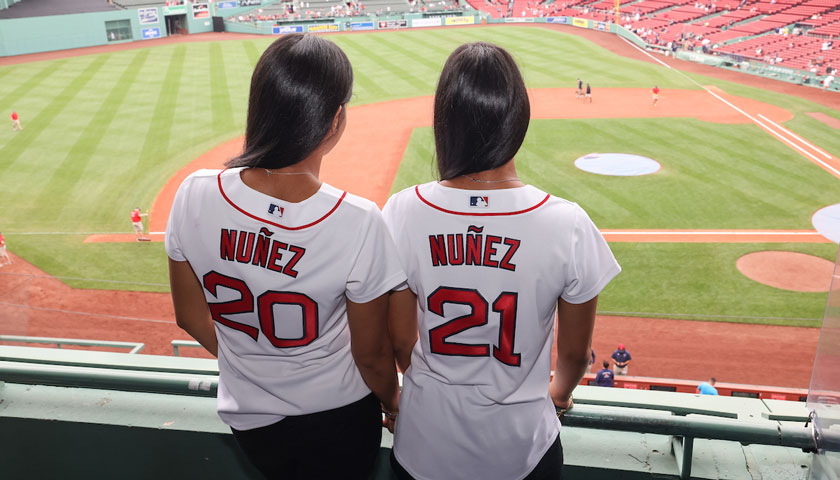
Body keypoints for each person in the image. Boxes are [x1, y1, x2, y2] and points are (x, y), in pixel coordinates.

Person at [165, 34, 404, 480]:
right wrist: (395, 402)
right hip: (339, 419)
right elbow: (371, 354)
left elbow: (189, 316)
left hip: (250, 422)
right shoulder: (358, 220)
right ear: (334, 120)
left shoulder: (194, 192)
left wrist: (254, 366)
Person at [383, 42, 621, 480]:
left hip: (424, 444)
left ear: (445, 121)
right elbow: (573, 353)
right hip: (522, 448)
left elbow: (400, 343)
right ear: (518, 120)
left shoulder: (402, 210)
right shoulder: (567, 222)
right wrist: (560, 395)